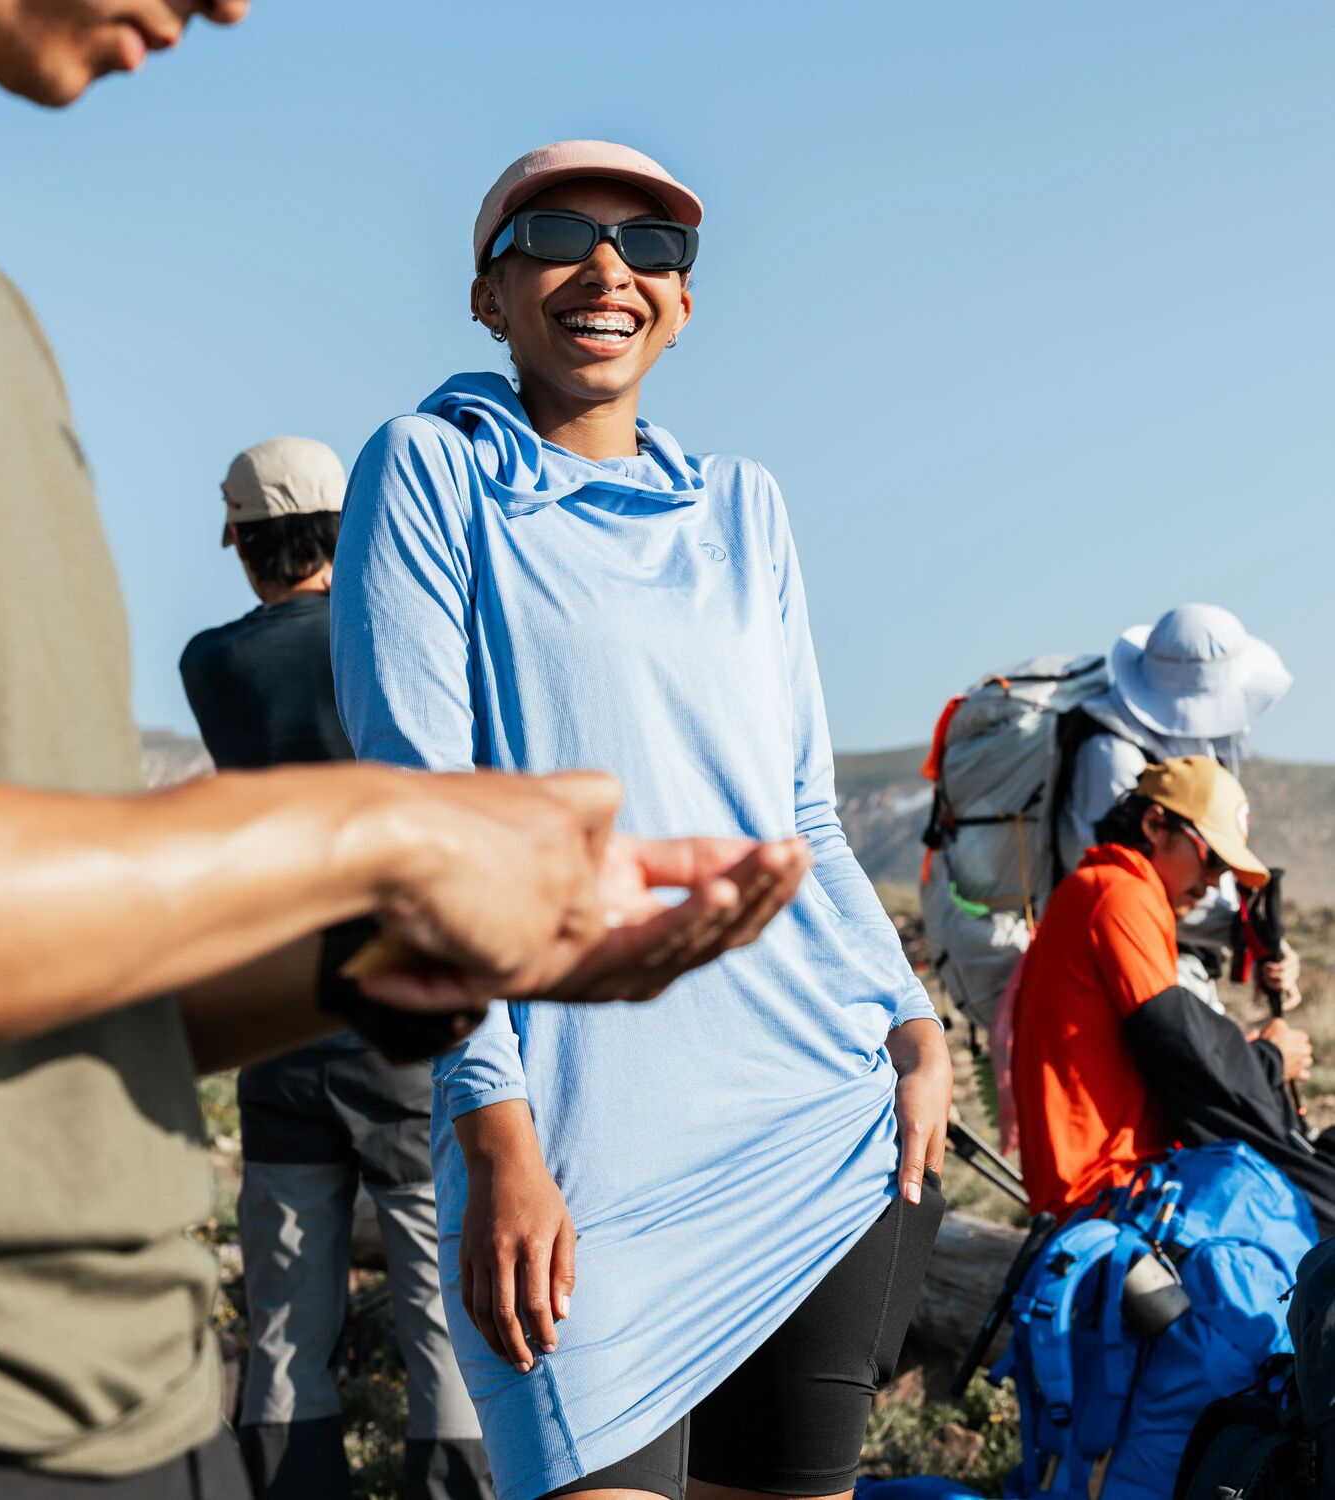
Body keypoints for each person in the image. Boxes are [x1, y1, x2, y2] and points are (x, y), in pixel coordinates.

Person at [0, 11, 809, 1495]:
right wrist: (371, 841)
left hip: (119, 1402)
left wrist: (375, 962)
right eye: (557, 234)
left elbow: (33, 974)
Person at [331, 140, 954, 1500]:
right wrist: (494, 1134)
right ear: (489, 295)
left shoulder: (745, 508)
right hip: (575, 1165)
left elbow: (798, 815)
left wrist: (912, 1020)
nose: (609, 269)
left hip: (813, 1131)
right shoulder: (430, 474)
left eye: (654, 247)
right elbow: (426, 829)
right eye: (557, 233)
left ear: (683, 302)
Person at [181, 437, 492, 1500]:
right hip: (401, 1017)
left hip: (275, 1020)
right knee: (441, 1326)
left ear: (243, 544)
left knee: (280, 1331)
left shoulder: (210, 664)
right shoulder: (390, 643)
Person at [1012, 756, 1335, 1235]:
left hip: (1109, 1182)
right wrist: (1268, 1059)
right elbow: (1178, 1044)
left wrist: (1245, 1053)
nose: (1212, 883)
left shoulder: (1097, 890)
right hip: (1114, 1189)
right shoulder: (1119, 893)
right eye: (1213, 860)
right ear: (1155, 824)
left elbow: (1160, 1041)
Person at [1056, 603, 1299, 1011]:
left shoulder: (1193, 746)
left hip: (1173, 959)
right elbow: (1124, 881)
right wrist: (1247, 935)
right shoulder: (1112, 754)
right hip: (1134, 965)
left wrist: (1262, 942)